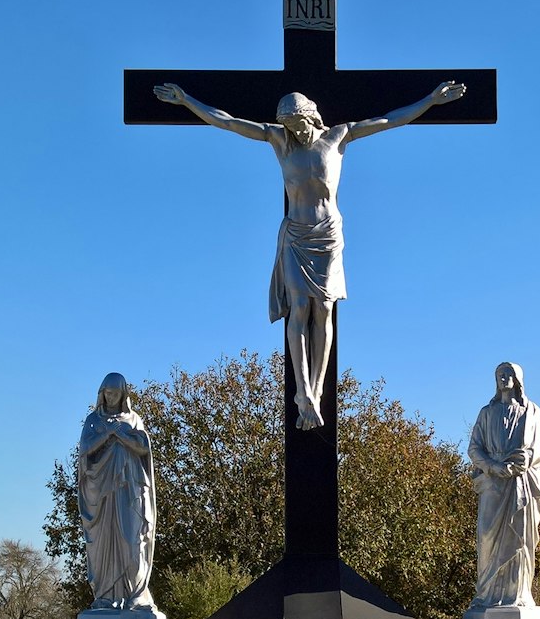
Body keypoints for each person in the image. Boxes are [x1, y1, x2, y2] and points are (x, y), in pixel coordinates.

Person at [154, 78, 466, 430]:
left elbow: (390, 119)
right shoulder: (279, 140)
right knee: (299, 309)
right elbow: (226, 121)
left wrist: (430, 100)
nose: (296, 132)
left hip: (328, 236)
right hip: (296, 236)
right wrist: (186, 100)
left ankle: (315, 390)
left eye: (299, 125)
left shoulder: (339, 136)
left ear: (311, 117)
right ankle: (303, 393)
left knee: (325, 309)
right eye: (289, 126)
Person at [465, 362, 540, 617]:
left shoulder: (532, 411)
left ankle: (518, 594)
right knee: (487, 537)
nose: (503, 378)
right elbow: (474, 447)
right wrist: (491, 466)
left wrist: (516, 466)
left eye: (509, 374)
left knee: (519, 539)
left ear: (518, 379)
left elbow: (539, 449)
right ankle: (487, 594)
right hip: (492, 482)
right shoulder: (486, 413)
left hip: (519, 483)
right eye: (500, 374)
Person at [77, 373, 159, 614]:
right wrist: (107, 433)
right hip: (102, 495)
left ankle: (136, 595)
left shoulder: (133, 419)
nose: (111, 397)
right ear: (101, 393)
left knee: (133, 543)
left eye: (115, 393)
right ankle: (104, 597)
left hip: (130, 493)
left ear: (124, 394)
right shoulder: (93, 420)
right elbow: (85, 449)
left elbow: (143, 447)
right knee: (104, 544)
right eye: (107, 393)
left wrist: (120, 433)